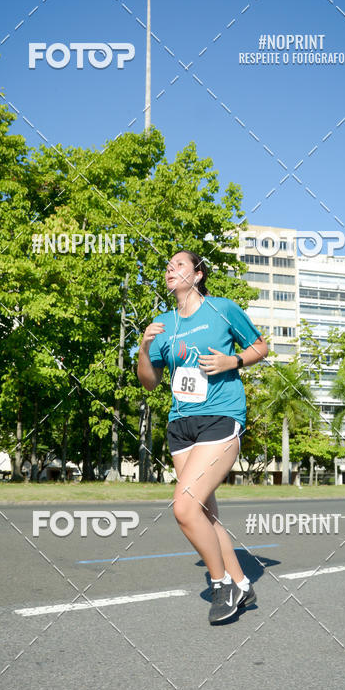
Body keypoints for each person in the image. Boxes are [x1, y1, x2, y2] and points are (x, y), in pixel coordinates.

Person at [137, 250, 269, 624]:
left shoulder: (223, 309)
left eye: (179, 265)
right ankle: (242, 584)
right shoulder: (162, 324)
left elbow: (260, 345)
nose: (170, 270)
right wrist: (145, 349)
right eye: (167, 266)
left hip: (221, 417)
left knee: (184, 507)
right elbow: (149, 382)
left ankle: (221, 582)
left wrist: (234, 361)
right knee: (206, 515)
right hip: (181, 425)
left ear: (197, 275)